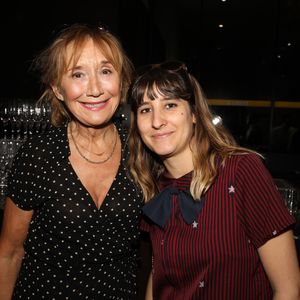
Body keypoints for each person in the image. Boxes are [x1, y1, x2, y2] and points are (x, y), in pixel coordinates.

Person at [127, 60, 300, 299]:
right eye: (145, 109)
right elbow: (157, 276)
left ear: (194, 114)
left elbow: (288, 290)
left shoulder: (241, 171)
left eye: (170, 105)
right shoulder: (153, 187)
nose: (157, 121)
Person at [0, 23, 144, 299]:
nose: (94, 89)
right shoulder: (38, 155)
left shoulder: (140, 150)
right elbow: (9, 253)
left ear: (121, 80)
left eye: (105, 71)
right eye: (78, 74)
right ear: (57, 88)